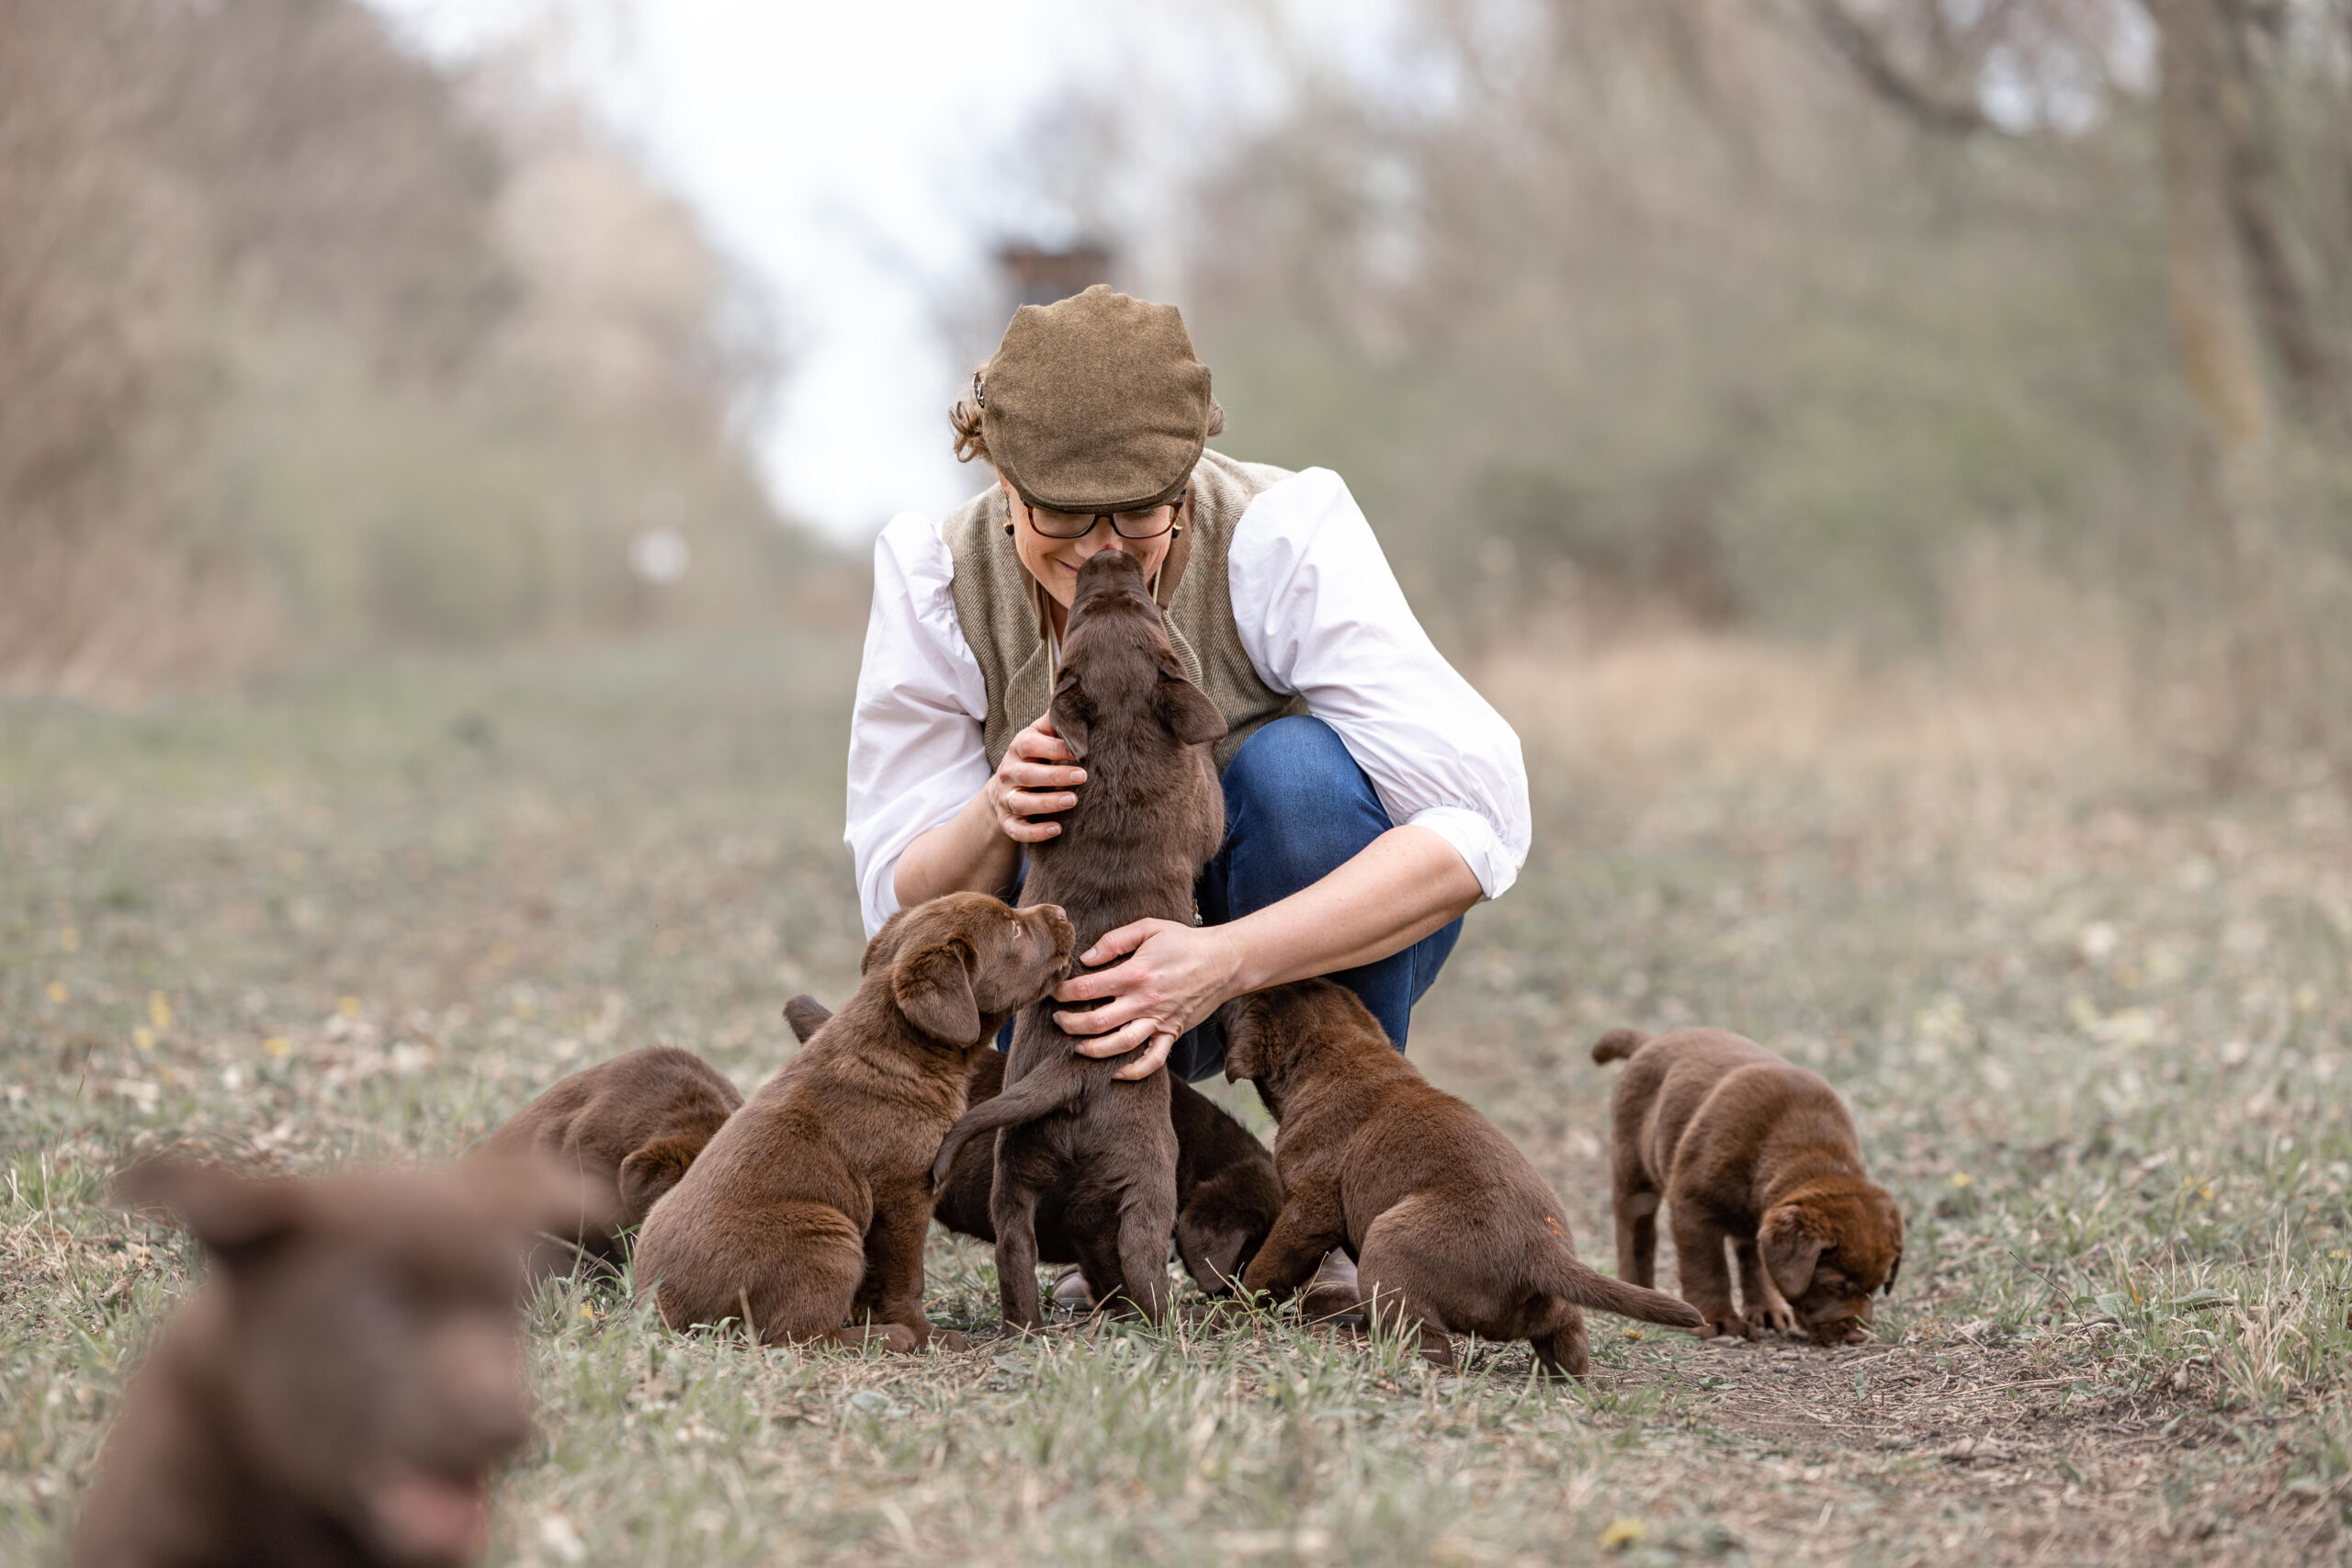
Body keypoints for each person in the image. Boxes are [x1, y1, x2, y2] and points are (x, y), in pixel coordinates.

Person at [847, 285, 1528, 1085]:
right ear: (1003, 477)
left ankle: (1342, 1142)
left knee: (1297, 770)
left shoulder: (1279, 533)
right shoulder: (940, 579)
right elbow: (899, 912)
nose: (1103, 549)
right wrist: (996, 811)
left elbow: (1481, 824)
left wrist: (1227, 956)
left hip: (1286, 935)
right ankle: (1093, 1156)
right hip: (1073, 975)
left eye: (1138, 513)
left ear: (1185, 474)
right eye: (1063, 516)